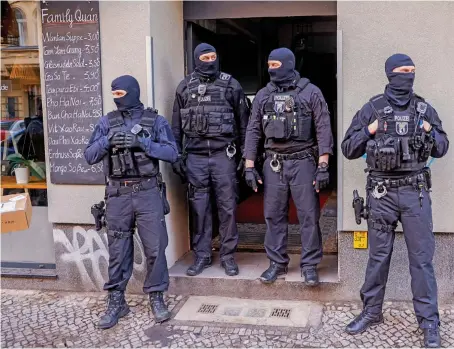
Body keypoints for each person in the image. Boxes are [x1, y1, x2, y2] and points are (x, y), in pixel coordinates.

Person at [341, 54, 449, 348]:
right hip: (381, 194)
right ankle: (372, 312)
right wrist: (370, 130)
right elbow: (348, 148)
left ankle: (429, 322)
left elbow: (442, 147)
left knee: (422, 260)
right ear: (390, 73)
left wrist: (428, 129)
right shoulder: (373, 108)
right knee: (378, 257)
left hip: (415, 193)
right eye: (403, 70)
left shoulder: (424, 109)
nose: (409, 75)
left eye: (412, 70)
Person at [84, 75, 178, 329]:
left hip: (148, 192)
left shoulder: (155, 121)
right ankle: (117, 302)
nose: (117, 99)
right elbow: (89, 155)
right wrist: (108, 141)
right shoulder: (106, 122)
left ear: (133, 92)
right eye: (113, 95)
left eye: (121, 94)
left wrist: (142, 143)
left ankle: (157, 297)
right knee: (118, 251)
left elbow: (172, 152)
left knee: (156, 248)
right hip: (117, 195)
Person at [243, 48, 334, 286]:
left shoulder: (311, 92)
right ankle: (276, 263)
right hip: (273, 163)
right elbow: (253, 129)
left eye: (277, 64)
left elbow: (323, 127)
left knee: (308, 215)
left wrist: (323, 164)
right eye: (269, 64)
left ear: (288, 64)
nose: (272, 69)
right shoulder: (264, 95)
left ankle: (310, 265)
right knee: (273, 215)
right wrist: (249, 165)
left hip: (303, 160)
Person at [171, 43, 250, 277]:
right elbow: (176, 127)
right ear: (197, 59)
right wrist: (176, 156)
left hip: (223, 155)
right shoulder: (184, 87)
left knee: (228, 207)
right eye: (205, 57)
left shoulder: (231, 85)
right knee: (199, 209)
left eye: (213, 56)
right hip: (195, 157)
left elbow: (245, 123)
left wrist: (245, 155)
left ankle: (228, 256)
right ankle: (202, 256)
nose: (210, 60)